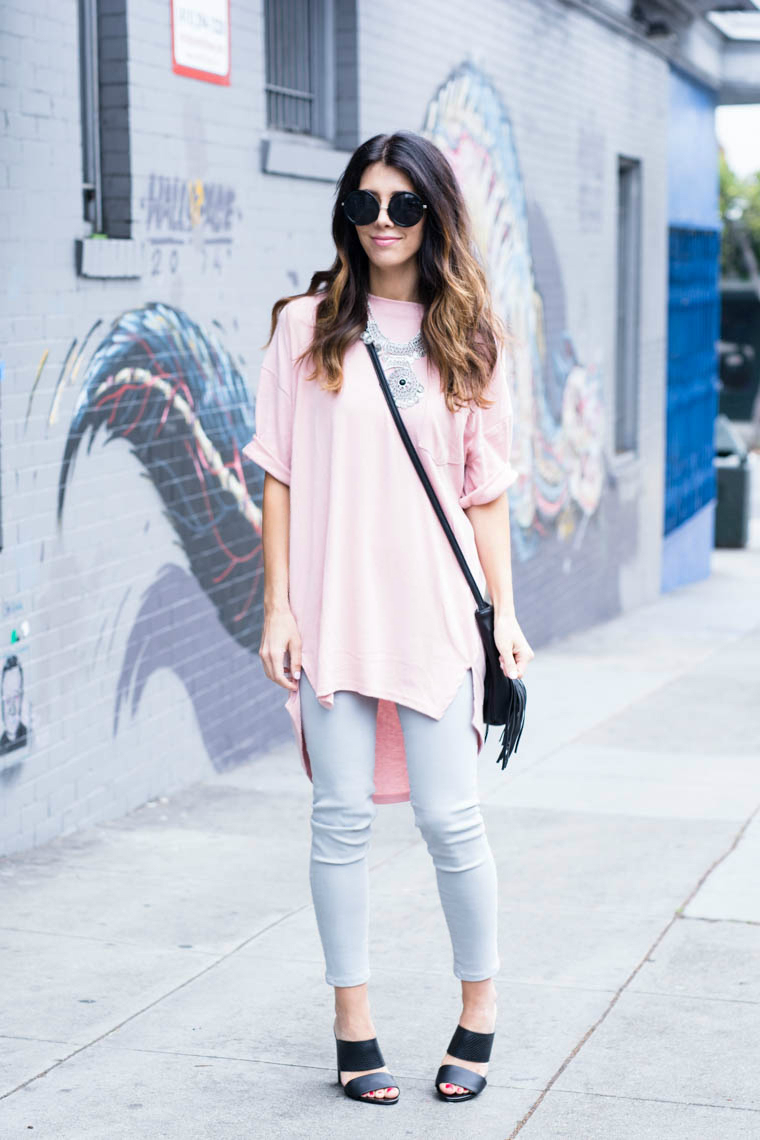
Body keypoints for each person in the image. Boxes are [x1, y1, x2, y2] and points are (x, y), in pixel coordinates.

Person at [244, 130, 534, 1106]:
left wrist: (503, 616)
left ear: (433, 214)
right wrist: (278, 606)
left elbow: (482, 490)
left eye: (402, 206)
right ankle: (352, 1023)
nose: (380, 222)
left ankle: (479, 1009)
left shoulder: (469, 335)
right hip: (329, 613)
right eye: (364, 203)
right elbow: (278, 477)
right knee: (335, 824)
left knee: (453, 822)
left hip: (433, 614)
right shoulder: (302, 327)